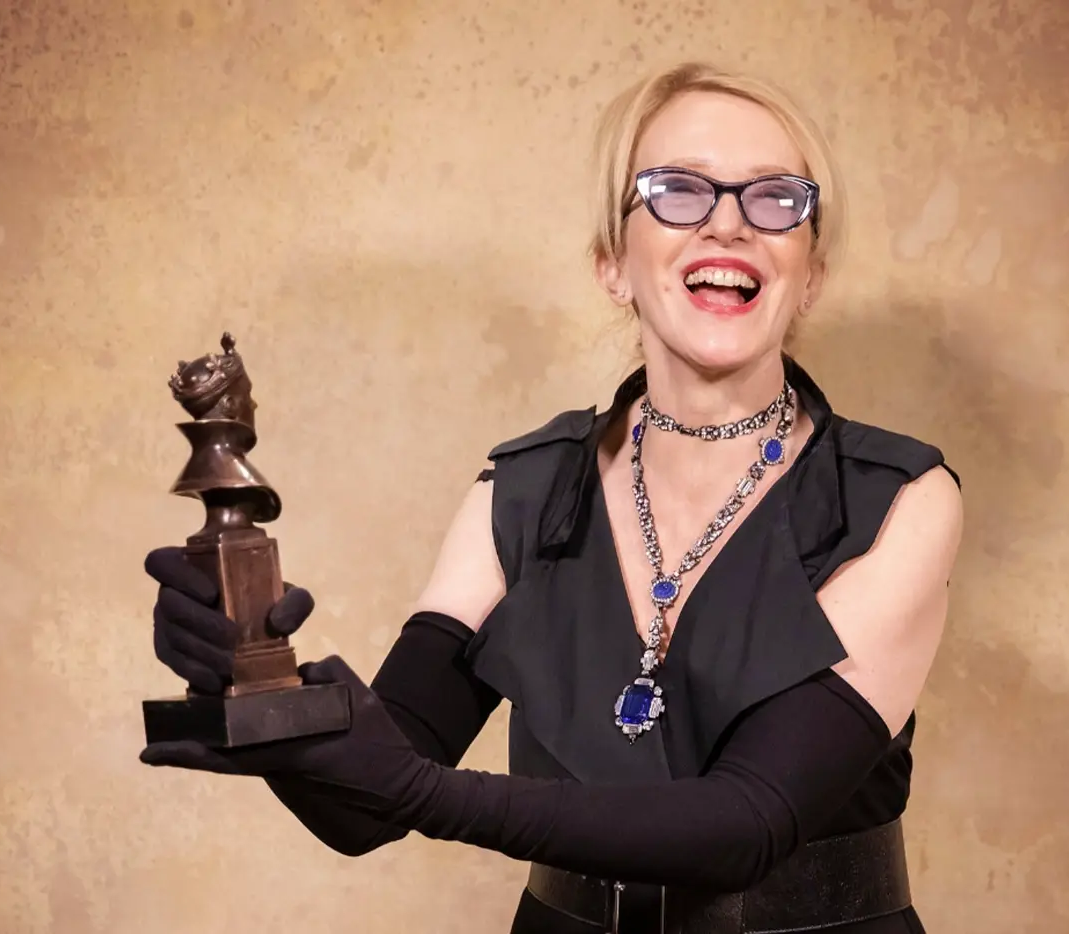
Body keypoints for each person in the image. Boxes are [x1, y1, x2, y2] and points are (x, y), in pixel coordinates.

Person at [140, 61, 964, 934]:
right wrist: (255, 690)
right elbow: (364, 804)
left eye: (773, 199)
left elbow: (747, 825)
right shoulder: (524, 489)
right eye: (677, 191)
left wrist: (418, 791)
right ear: (613, 264)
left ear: (812, 272)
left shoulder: (895, 499)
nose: (729, 223)